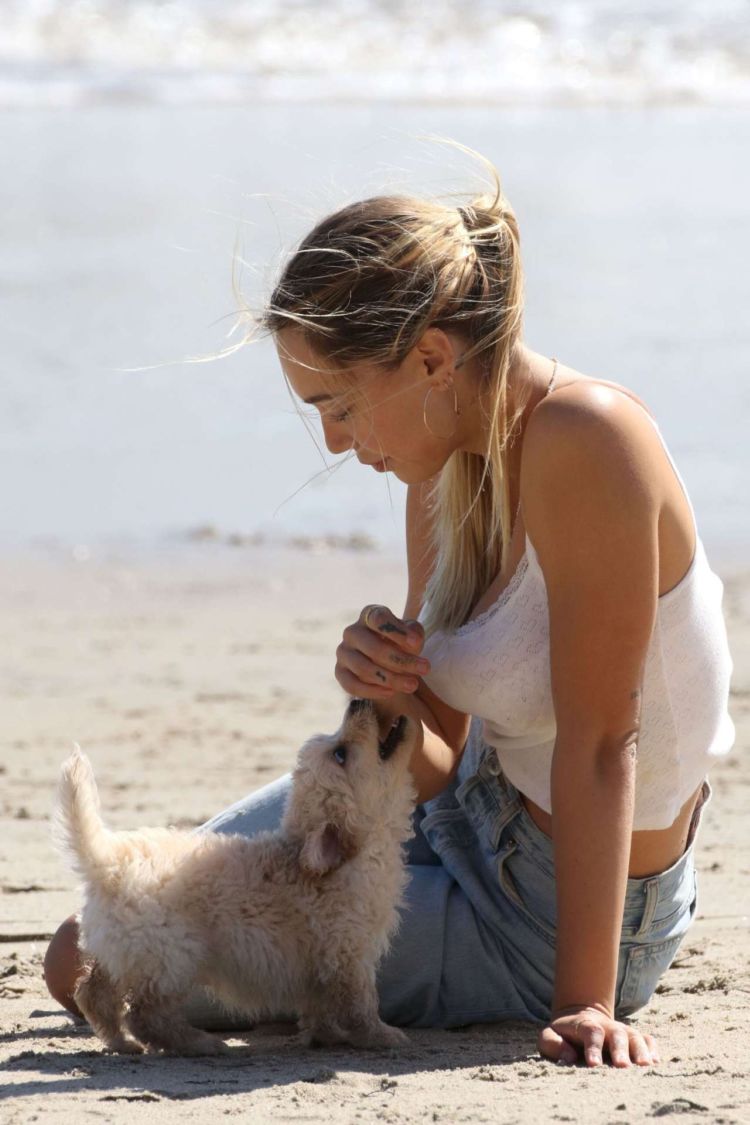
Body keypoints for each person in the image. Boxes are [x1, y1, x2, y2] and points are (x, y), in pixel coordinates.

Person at [44, 148, 735, 1069]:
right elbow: (437, 762)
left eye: (338, 404)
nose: (335, 441)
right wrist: (392, 694)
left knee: (112, 961)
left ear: (432, 359)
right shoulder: (438, 466)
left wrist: (586, 1000)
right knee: (87, 946)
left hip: (562, 906)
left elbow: (607, 743)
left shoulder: (590, 442)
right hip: (446, 821)